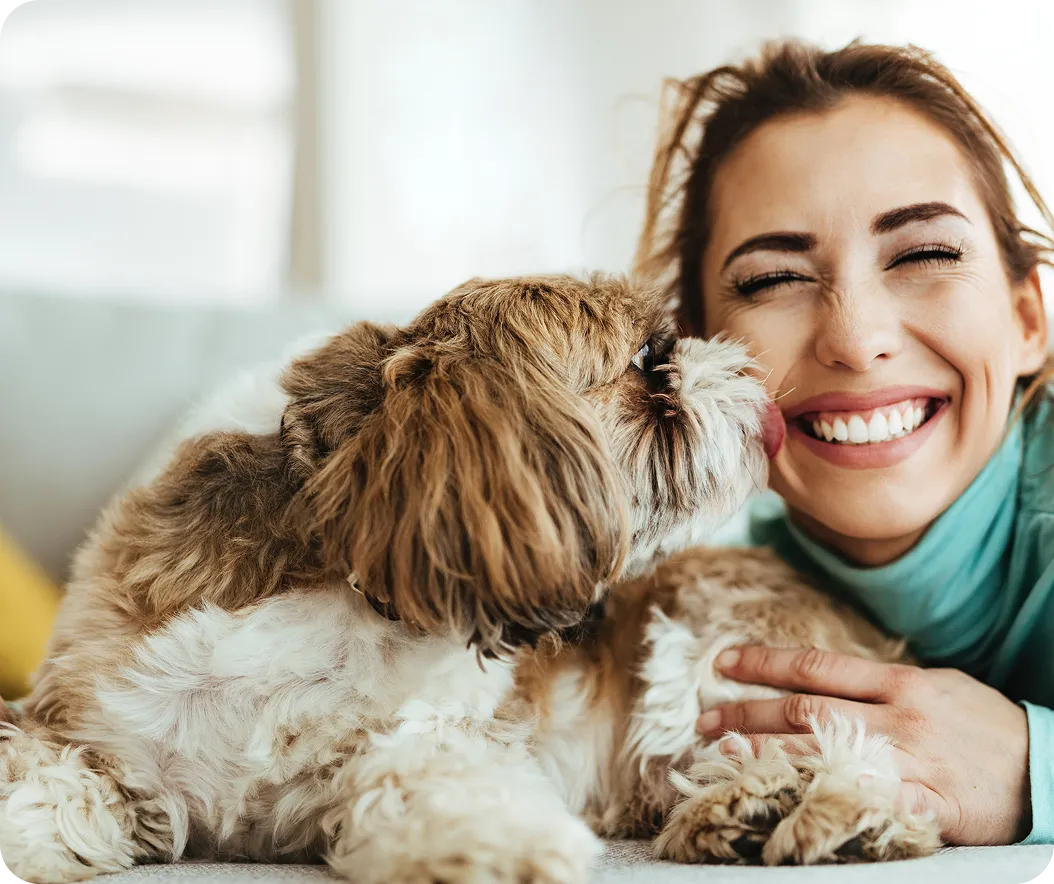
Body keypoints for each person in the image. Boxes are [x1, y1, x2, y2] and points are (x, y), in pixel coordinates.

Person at [635, 38, 1054, 847]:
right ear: (694, 359)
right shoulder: (714, 622)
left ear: (1029, 319)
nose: (855, 340)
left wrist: (1030, 766)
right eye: (773, 280)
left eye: (926, 253)